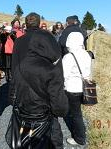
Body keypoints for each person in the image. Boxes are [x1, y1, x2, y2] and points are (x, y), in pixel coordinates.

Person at [9, 12, 69, 148]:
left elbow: (14, 68)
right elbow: (57, 64)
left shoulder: (19, 41)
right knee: (51, 132)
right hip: (44, 86)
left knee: (24, 130)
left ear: (26, 23)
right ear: (38, 22)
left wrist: (13, 93)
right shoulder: (48, 38)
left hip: (22, 88)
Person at [62, 32, 91, 146]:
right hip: (84, 88)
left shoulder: (69, 56)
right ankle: (81, 133)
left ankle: (79, 139)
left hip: (72, 88)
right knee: (77, 112)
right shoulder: (86, 54)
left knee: (75, 114)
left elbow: (64, 75)